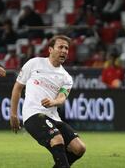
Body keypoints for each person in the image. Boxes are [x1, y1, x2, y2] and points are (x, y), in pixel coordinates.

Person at [9, 35, 86, 168]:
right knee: (57, 140)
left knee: (79, 148)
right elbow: (17, 88)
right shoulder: (34, 63)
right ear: (50, 49)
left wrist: (54, 102)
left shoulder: (66, 77)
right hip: (33, 115)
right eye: (60, 47)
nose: (64, 51)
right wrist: (13, 114)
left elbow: (62, 97)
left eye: (66, 48)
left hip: (53, 117)